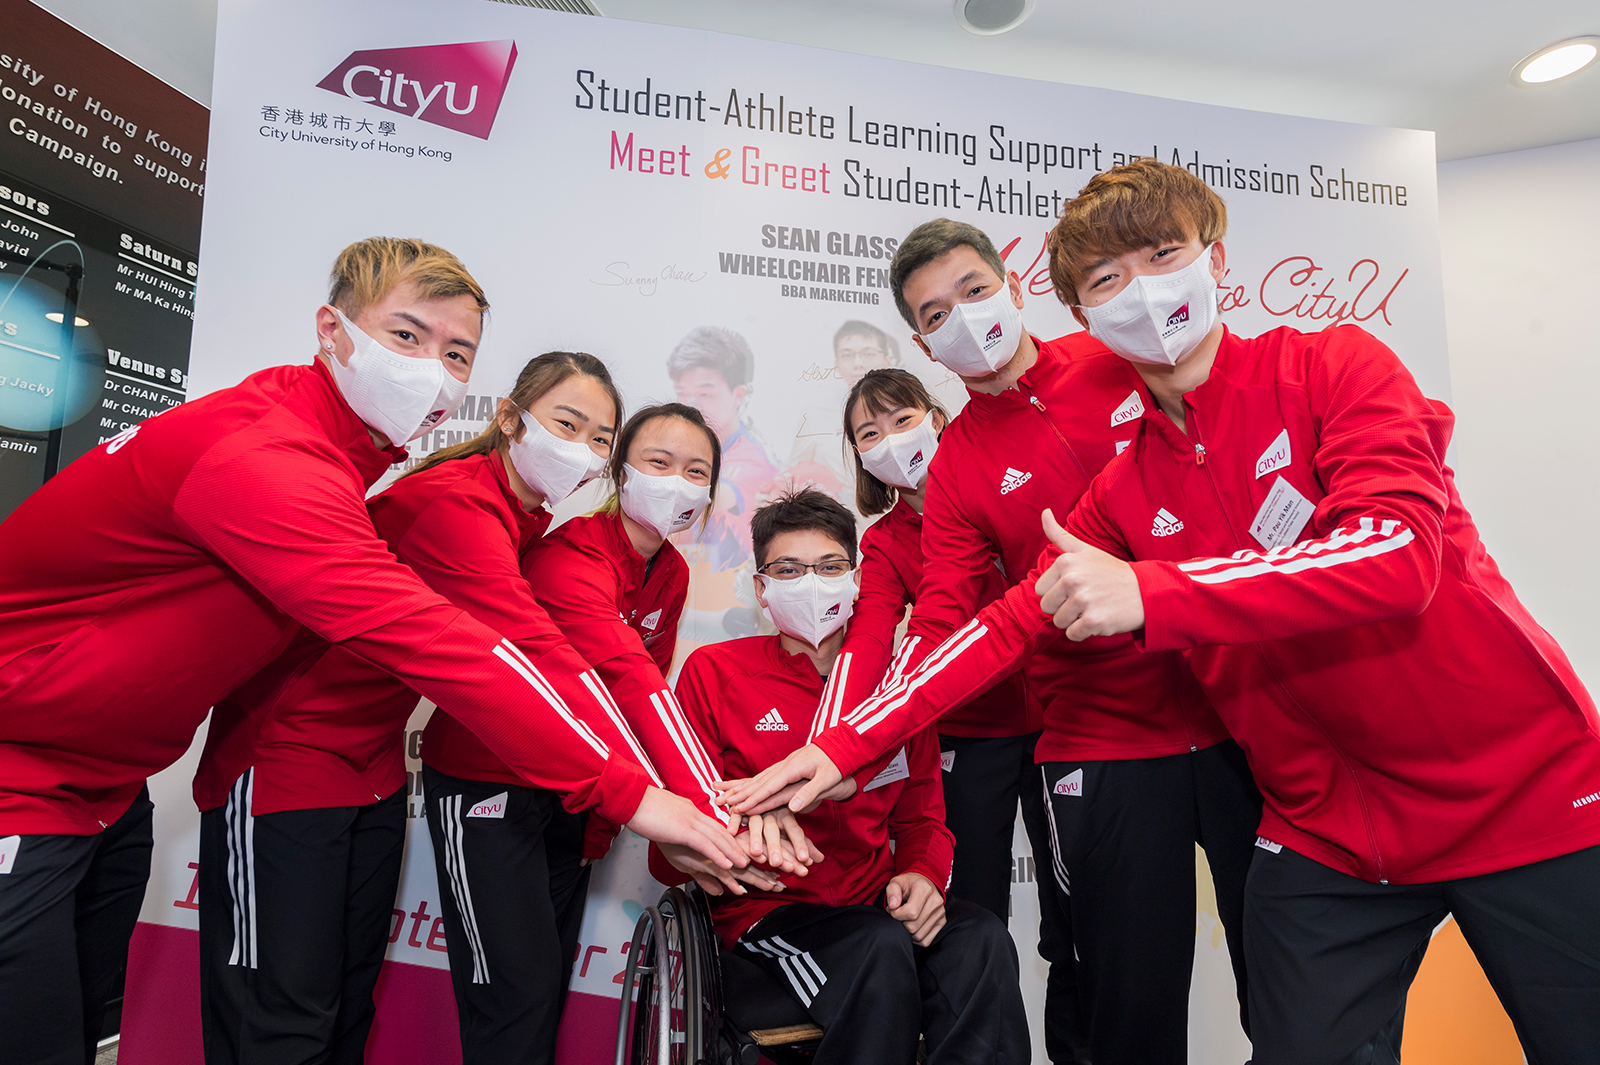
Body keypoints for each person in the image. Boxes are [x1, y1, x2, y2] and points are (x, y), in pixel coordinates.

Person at [0, 238, 743, 1065]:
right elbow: (466, 648)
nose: (432, 369)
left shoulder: (362, 462)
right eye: (407, 337)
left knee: (325, 1012)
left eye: (455, 352)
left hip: (128, 782)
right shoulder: (276, 457)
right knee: (277, 1026)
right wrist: (638, 795)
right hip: (85, 772)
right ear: (333, 329)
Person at [725, 219, 1263, 1065]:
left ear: (1014, 286)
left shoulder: (1118, 359)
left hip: (1239, 708)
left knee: (1283, 966)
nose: (964, 319)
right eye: (936, 314)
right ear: (922, 341)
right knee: (1126, 992)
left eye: (974, 291)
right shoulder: (960, 471)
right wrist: (843, 746)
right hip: (1102, 732)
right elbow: (940, 629)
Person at [417, 399, 806, 1065]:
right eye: (659, 463)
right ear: (620, 470)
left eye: (695, 471)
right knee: (510, 1000)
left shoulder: (673, 573)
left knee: (541, 990)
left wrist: (623, 820)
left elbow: (636, 719)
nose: (677, 482)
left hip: (572, 795)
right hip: (491, 787)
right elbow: (630, 684)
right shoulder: (568, 560)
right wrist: (710, 818)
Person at [667, 488, 1030, 1065]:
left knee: (981, 939)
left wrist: (922, 877)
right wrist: (741, 826)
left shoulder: (896, 691)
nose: (811, 582)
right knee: (877, 947)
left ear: (857, 580)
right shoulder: (715, 674)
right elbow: (673, 842)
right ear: (762, 589)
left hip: (872, 903)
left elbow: (923, 818)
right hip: (770, 916)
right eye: (788, 569)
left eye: (830, 567)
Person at [829, 366, 1078, 1028]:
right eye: (869, 433)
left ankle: (1079, 1046)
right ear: (862, 461)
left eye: (901, 418)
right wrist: (837, 743)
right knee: (972, 914)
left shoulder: (999, 478)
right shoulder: (883, 543)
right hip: (969, 736)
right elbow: (870, 642)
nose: (890, 439)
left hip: (1067, 719)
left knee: (1076, 909)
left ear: (937, 418)